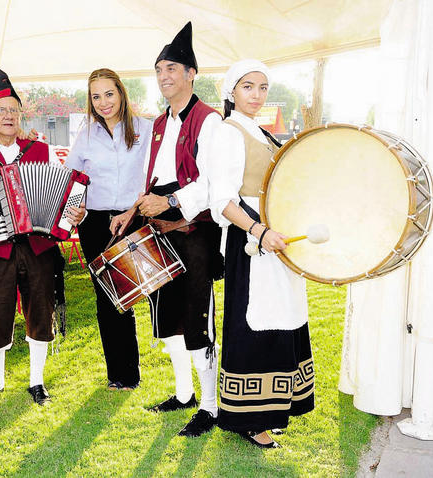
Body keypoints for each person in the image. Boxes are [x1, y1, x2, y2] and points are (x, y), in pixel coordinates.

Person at [111, 21, 223, 438]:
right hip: (158, 228)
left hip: (195, 232)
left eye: (172, 69)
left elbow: (214, 184)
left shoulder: (209, 121)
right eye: (159, 70)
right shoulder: (159, 124)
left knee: (197, 321)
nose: (164, 77)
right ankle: (183, 394)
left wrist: (173, 202)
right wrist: (131, 210)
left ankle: (210, 407)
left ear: (191, 73)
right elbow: (152, 178)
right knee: (168, 320)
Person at [207, 60, 313, 448]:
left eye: (263, 87)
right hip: (251, 240)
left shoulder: (260, 131)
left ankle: (275, 407)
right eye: (248, 86)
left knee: (282, 318)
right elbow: (222, 200)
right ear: (232, 91)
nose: (256, 94)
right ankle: (251, 419)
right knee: (255, 323)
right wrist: (259, 230)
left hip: (273, 239)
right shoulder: (228, 132)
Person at [0, 68, 86, 407]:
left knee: (40, 311)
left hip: (38, 246)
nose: (8, 115)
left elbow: (61, 193)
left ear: (21, 115)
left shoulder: (41, 150)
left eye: (13, 110)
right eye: (0, 110)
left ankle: (37, 381)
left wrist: (75, 214)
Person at [64, 68, 152, 390]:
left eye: (109, 94)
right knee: (106, 297)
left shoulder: (145, 128)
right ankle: (119, 375)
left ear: (121, 93)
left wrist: (133, 211)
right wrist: (77, 208)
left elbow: (152, 175)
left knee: (126, 295)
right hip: (95, 222)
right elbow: (71, 177)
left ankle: (132, 372)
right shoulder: (86, 134)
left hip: (132, 218)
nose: (103, 102)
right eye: (96, 96)